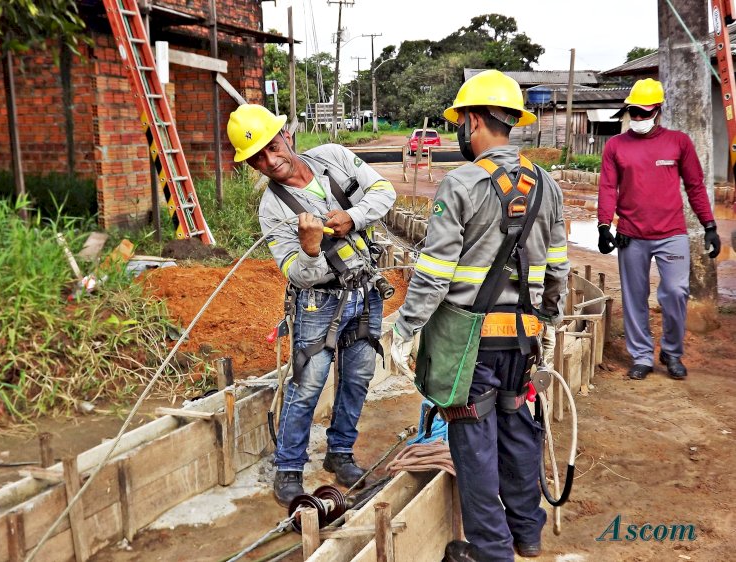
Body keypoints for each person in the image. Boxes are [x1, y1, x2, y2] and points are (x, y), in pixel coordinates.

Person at [390, 70, 569, 560]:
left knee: (474, 446)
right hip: (522, 340)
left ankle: (492, 551)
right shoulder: (547, 186)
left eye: (459, 123)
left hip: (470, 346)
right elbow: (558, 266)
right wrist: (549, 321)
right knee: (516, 428)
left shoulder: (462, 181)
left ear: (471, 121)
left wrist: (405, 329)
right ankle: (527, 534)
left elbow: (435, 272)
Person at [226, 104, 396, 506]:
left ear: (286, 136)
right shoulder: (273, 208)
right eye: (258, 159)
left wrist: (352, 218)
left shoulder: (334, 159)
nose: (270, 161)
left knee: (357, 378)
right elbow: (297, 274)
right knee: (307, 387)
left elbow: (384, 191)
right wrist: (310, 251)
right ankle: (288, 468)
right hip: (318, 303)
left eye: (272, 147)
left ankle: (340, 453)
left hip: (364, 289)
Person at [597, 78, 721, 381]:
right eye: (633, 112)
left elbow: (694, 186)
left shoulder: (678, 143)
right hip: (631, 235)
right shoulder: (615, 146)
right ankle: (641, 356)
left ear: (658, 111)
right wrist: (603, 225)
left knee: (676, 292)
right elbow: (608, 188)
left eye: (643, 112)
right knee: (635, 297)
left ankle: (671, 352)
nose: (637, 118)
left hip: (671, 234)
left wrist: (709, 225)